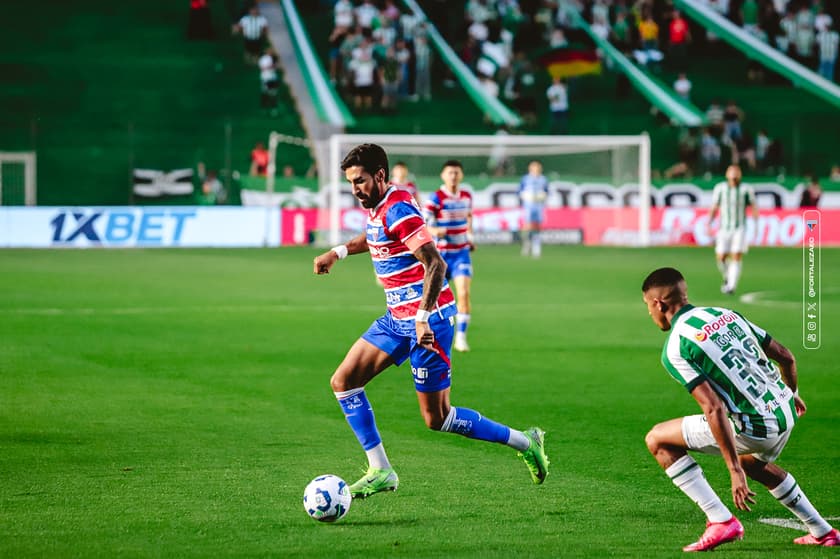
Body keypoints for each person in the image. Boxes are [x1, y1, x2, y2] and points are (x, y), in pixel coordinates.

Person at [312, 144, 549, 498]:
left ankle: (525, 441)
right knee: (344, 381)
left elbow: (436, 263)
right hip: (397, 318)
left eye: (359, 180)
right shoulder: (380, 206)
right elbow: (377, 238)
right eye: (350, 182)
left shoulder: (398, 207)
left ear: (379, 175)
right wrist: (339, 252)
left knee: (437, 418)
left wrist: (422, 318)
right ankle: (381, 469)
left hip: (429, 321)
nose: (355, 189)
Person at [640, 267, 839, 552]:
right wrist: (791, 393)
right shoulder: (726, 314)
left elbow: (714, 408)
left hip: (757, 425)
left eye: (648, 306)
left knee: (657, 439)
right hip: (785, 410)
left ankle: (720, 520)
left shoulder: (677, 346)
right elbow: (786, 357)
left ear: (659, 303)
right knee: (752, 462)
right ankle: (823, 531)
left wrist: (732, 470)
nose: (650, 313)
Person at [424, 160, 474, 353]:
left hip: (461, 254)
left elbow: (469, 217)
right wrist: (435, 230)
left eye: (456, 173)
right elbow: (425, 224)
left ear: (461, 175)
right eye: (450, 173)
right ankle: (430, 334)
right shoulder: (435, 198)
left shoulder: (467, 196)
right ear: (443, 176)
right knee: (434, 298)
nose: (453, 176)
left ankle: (461, 337)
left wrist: (470, 236)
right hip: (441, 256)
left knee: (463, 293)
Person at [707, 165, 756, 295]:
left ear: (740, 175)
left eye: (736, 174)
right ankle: (728, 276)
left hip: (739, 228)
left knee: (736, 255)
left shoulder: (746, 189)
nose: (734, 177)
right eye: (732, 174)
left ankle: (731, 286)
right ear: (727, 175)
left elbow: (754, 206)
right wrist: (709, 223)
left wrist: (757, 224)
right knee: (721, 257)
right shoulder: (720, 188)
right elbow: (714, 207)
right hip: (723, 229)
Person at [519, 160, 549, 258]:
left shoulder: (543, 179)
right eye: (533, 167)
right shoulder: (525, 179)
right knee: (527, 226)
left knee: (537, 226)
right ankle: (526, 244)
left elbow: (547, 191)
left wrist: (542, 196)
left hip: (539, 206)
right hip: (528, 205)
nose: (535, 169)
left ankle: (536, 246)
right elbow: (519, 191)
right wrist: (524, 196)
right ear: (530, 168)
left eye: (537, 167)